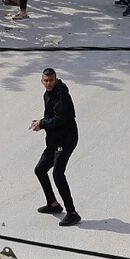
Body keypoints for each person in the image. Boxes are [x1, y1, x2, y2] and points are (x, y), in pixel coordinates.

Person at [31, 68, 81, 227]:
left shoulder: (62, 95)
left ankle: (72, 213)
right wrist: (40, 122)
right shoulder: (47, 94)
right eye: (46, 80)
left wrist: (43, 124)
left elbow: (61, 119)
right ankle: (53, 204)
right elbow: (50, 116)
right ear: (41, 81)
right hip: (54, 140)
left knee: (58, 173)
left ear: (56, 79)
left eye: (51, 80)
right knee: (39, 169)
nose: (48, 83)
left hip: (66, 140)